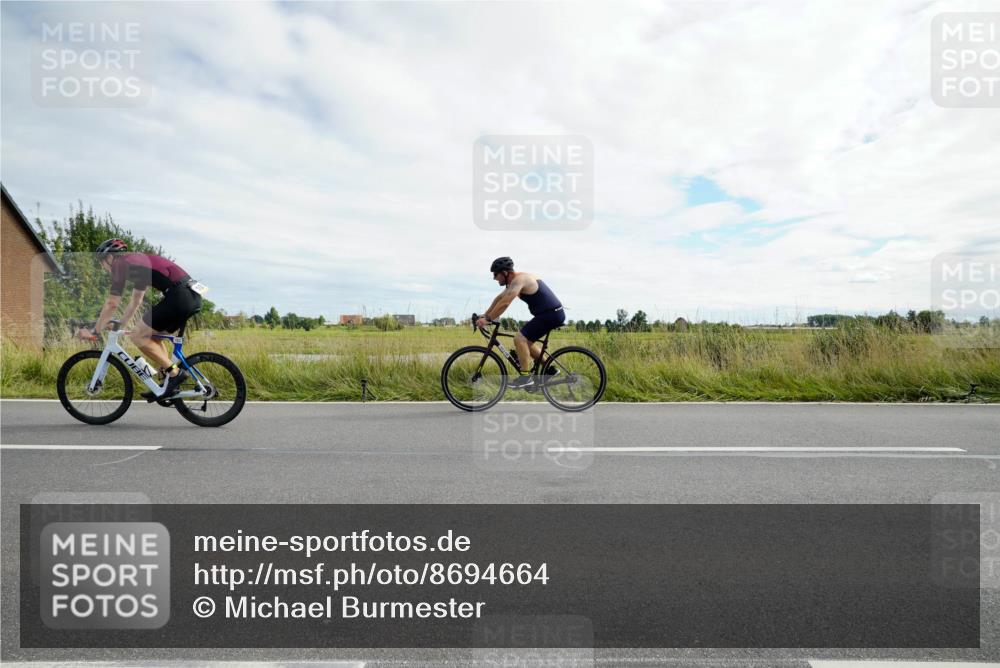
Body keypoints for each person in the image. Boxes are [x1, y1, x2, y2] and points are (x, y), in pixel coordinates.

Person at [76, 239, 204, 400]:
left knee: (137, 335)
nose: (102, 267)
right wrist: (120, 324)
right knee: (151, 336)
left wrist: (95, 330)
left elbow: (112, 303)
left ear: (109, 258)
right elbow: (136, 300)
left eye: (101, 262)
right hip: (191, 296)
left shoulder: (120, 265)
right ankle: (166, 383)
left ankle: (175, 374)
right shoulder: (135, 264)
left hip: (179, 297)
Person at [476, 257, 565, 388]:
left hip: (551, 314)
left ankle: (525, 377)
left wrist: (488, 319)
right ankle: (549, 369)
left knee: (519, 339)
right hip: (549, 314)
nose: (495, 278)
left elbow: (505, 303)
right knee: (526, 343)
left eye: (496, 274)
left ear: (505, 273)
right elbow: (499, 299)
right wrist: (485, 315)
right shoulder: (514, 282)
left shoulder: (519, 280)